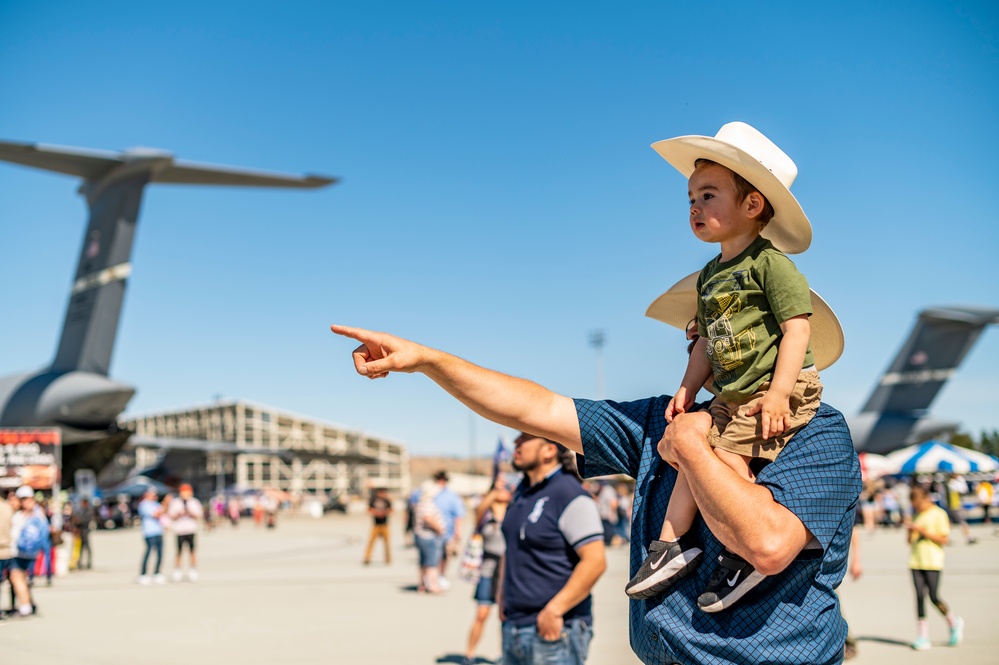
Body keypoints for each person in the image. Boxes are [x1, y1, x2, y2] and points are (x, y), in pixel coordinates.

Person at [624, 122, 823, 611]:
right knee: (691, 455)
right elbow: (707, 342)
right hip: (732, 394)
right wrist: (688, 389)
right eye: (691, 197)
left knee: (726, 462)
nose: (694, 207)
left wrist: (778, 395)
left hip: (783, 386)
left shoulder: (770, 265)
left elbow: (798, 330)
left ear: (752, 205)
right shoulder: (711, 276)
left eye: (708, 195)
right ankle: (670, 545)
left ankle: (742, 556)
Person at [496, 433, 606, 665]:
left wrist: (555, 611)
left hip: (555, 628)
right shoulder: (521, 491)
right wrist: (501, 594)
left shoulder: (569, 494)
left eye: (524, 438)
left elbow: (595, 561)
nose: (515, 443)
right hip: (514, 625)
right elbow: (512, 546)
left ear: (549, 450)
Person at [905, 484, 963, 651]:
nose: (916, 507)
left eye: (917, 503)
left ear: (925, 499)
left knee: (933, 596)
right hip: (916, 560)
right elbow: (909, 542)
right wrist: (910, 530)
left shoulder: (939, 514)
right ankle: (923, 636)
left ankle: (953, 622)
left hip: (933, 561)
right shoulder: (917, 515)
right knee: (919, 597)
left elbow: (944, 539)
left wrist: (922, 530)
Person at [463, 478, 511, 665]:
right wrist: (494, 488)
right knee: (482, 614)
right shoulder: (485, 514)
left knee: (504, 615)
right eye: (500, 488)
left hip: (507, 570)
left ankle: (504, 655)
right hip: (487, 569)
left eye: (506, 488)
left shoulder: (514, 510)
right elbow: (479, 509)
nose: (503, 491)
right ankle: (469, 654)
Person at [9, 486, 48, 617]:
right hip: (32, 551)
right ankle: (29, 603)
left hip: (19, 551)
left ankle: (25, 607)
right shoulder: (39, 513)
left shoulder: (22, 515)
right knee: (23, 578)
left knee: (16, 578)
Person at [431, 470, 466, 589]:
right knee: (432, 556)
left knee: (445, 556)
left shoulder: (452, 496)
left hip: (447, 532)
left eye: (442, 480)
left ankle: (441, 575)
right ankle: (431, 577)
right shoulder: (430, 494)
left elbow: (458, 515)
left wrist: (457, 531)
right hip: (430, 532)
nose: (440, 482)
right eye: (438, 479)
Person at [412, 480, 446, 594]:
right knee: (432, 562)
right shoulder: (427, 503)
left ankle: (422, 583)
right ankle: (432, 584)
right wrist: (439, 528)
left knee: (424, 562)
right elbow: (427, 518)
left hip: (421, 535)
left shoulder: (420, 502)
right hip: (428, 536)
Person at [168, 483, 203, 582]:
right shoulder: (176, 502)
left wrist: (190, 512)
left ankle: (193, 570)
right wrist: (178, 513)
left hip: (191, 529)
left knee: (192, 551)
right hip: (180, 530)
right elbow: (171, 516)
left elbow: (199, 516)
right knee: (179, 551)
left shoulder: (194, 502)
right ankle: (177, 571)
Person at [137, 487, 166, 585]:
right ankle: (143, 573)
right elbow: (156, 514)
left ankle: (157, 572)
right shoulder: (144, 504)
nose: (154, 496)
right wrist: (166, 503)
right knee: (148, 552)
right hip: (149, 532)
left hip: (159, 531)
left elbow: (163, 514)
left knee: (160, 553)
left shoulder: (156, 504)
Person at [363, 487, 393, 565]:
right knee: (371, 541)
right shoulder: (373, 500)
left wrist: (385, 512)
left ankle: (388, 558)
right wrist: (376, 513)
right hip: (375, 525)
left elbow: (391, 510)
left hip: (385, 524)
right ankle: (367, 557)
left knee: (387, 542)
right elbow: (368, 509)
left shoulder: (387, 500)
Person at [945, 474, 976, 545]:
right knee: (962, 522)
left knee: (950, 523)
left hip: (952, 505)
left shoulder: (949, 482)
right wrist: (961, 480)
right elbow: (964, 490)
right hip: (955, 505)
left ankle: (946, 537)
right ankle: (968, 537)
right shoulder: (953, 483)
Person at [72, 498, 95, 570]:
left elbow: (87, 519)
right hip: (80, 531)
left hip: (85, 530)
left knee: (87, 548)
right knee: (80, 548)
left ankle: (89, 562)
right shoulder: (80, 510)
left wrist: (79, 521)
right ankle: (79, 562)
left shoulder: (89, 511)